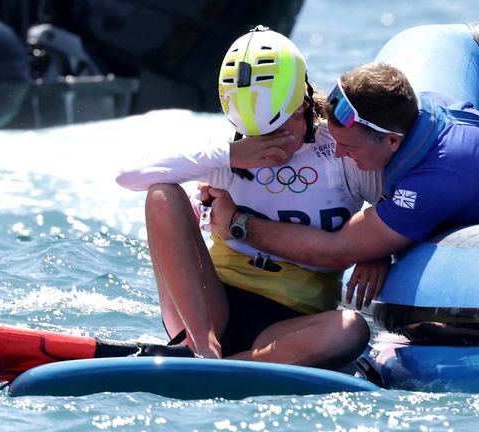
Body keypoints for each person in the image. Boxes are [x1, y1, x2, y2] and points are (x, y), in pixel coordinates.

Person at [116, 27, 386, 369]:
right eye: (258, 134)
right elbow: (127, 175)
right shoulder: (231, 153)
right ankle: (202, 349)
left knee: (351, 329)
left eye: (279, 130)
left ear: (302, 104)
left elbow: (401, 207)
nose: (269, 144)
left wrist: (379, 251)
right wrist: (231, 154)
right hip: (211, 310)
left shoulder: (340, 153)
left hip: (292, 324)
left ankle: (219, 368)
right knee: (162, 195)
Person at [204, 62, 479, 272]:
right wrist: (376, 246)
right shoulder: (420, 113)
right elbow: (370, 235)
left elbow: (337, 252)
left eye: (349, 146)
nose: (338, 155)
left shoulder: (439, 174)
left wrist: (239, 224)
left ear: (391, 141)